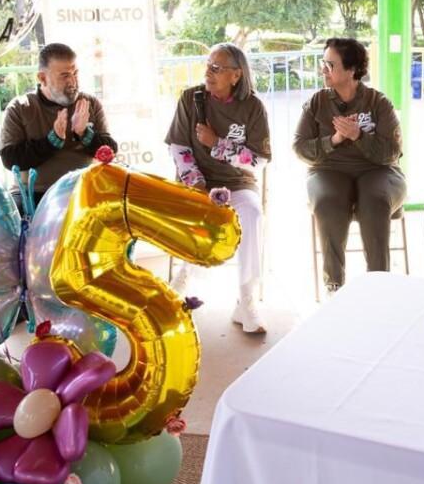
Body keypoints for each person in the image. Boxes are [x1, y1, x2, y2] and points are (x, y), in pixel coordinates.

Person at [166, 43, 271, 333]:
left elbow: (258, 160)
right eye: (207, 66)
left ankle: (246, 299)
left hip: (237, 182)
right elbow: (179, 147)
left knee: (251, 215)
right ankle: (185, 274)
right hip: (196, 181)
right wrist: (196, 183)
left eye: (216, 68)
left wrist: (218, 145)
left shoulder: (252, 107)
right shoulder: (191, 99)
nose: (208, 73)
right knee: (194, 214)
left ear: (236, 76)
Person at [294, 38, 406, 294]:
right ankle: (334, 285)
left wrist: (359, 136)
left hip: (378, 170)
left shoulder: (379, 103)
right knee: (327, 201)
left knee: (375, 200)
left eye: (330, 64)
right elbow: (300, 148)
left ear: (352, 69)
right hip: (328, 170)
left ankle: (379, 284)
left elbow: (392, 152)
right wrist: (333, 140)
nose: (324, 69)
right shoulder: (317, 103)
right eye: (324, 63)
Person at [0, 43, 118, 211]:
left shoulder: (90, 103)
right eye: (64, 76)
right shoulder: (20, 107)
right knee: (11, 220)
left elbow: (110, 150)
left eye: (75, 73)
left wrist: (84, 133)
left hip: (82, 190)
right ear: (42, 78)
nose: (73, 82)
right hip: (36, 193)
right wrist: (52, 141)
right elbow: (10, 159)